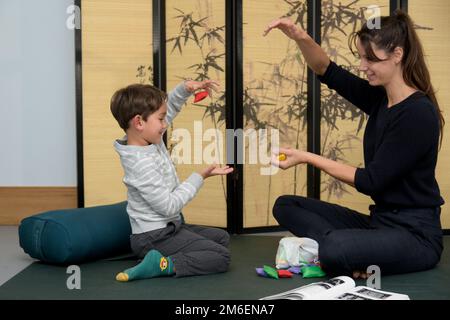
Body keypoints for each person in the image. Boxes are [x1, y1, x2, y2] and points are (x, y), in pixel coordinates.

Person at [264, 10, 444, 278]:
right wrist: (300, 36)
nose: (362, 66)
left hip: (415, 235)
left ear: (397, 54)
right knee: (286, 205)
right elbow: (326, 69)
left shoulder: (418, 113)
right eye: (360, 57)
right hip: (379, 223)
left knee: (336, 247)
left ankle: (341, 251)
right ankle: (350, 251)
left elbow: (371, 181)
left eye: (370, 58)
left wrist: (306, 156)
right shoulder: (381, 99)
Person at [110, 79, 233, 281]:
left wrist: (185, 89)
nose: (165, 124)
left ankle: (162, 258)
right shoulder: (140, 163)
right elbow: (169, 207)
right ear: (139, 122)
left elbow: (171, 107)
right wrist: (199, 177)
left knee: (221, 238)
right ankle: (162, 264)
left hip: (170, 228)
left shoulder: (147, 140)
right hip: (153, 237)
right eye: (161, 119)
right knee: (221, 256)